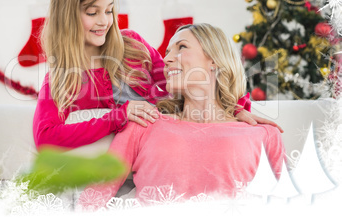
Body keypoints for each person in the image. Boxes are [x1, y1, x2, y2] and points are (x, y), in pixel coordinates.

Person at [33, 0, 282, 152]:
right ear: (67, 15)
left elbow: (184, 81)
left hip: (182, 141)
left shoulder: (132, 44)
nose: (104, 21)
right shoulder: (61, 79)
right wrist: (118, 116)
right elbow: (45, 136)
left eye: (109, 10)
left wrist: (237, 108)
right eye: (92, 12)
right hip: (138, 159)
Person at [76, 23, 285, 209]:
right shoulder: (143, 122)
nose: (166, 59)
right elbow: (93, 199)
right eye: (167, 52)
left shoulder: (264, 134)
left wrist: (237, 110)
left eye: (181, 47)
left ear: (214, 60)